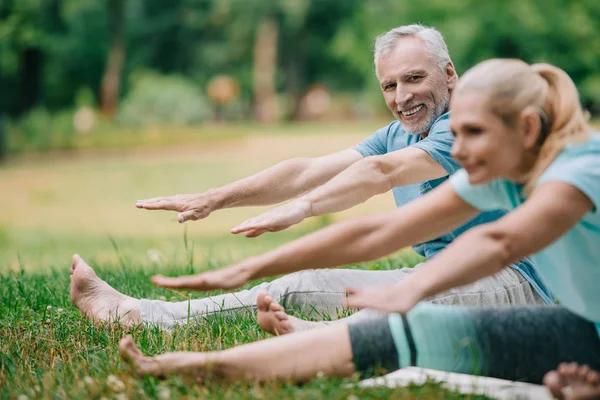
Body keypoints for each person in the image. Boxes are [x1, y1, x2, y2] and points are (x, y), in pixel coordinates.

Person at [119, 59, 600, 400]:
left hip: (565, 321)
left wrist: (414, 287)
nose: (459, 148)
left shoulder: (580, 171)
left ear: (528, 130)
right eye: (390, 83)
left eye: (472, 134)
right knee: (398, 336)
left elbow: (499, 241)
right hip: (586, 333)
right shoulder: (503, 177)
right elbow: (379, 233)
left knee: (406, 325)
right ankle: (206, 369)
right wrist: (250, 268)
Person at [70, 25, 551, 331]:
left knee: (383, 309)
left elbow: (380, 173)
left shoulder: (468, 125)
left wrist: (303, 209)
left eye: (414, 78)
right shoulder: (398, 132)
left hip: (519, 285)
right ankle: (147, 316)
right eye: (390, 85)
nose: (402, 96)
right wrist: (216, 197)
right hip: (447, 274)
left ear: (448, 72)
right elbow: (307, 169)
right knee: (305, 285)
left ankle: (298, 338)